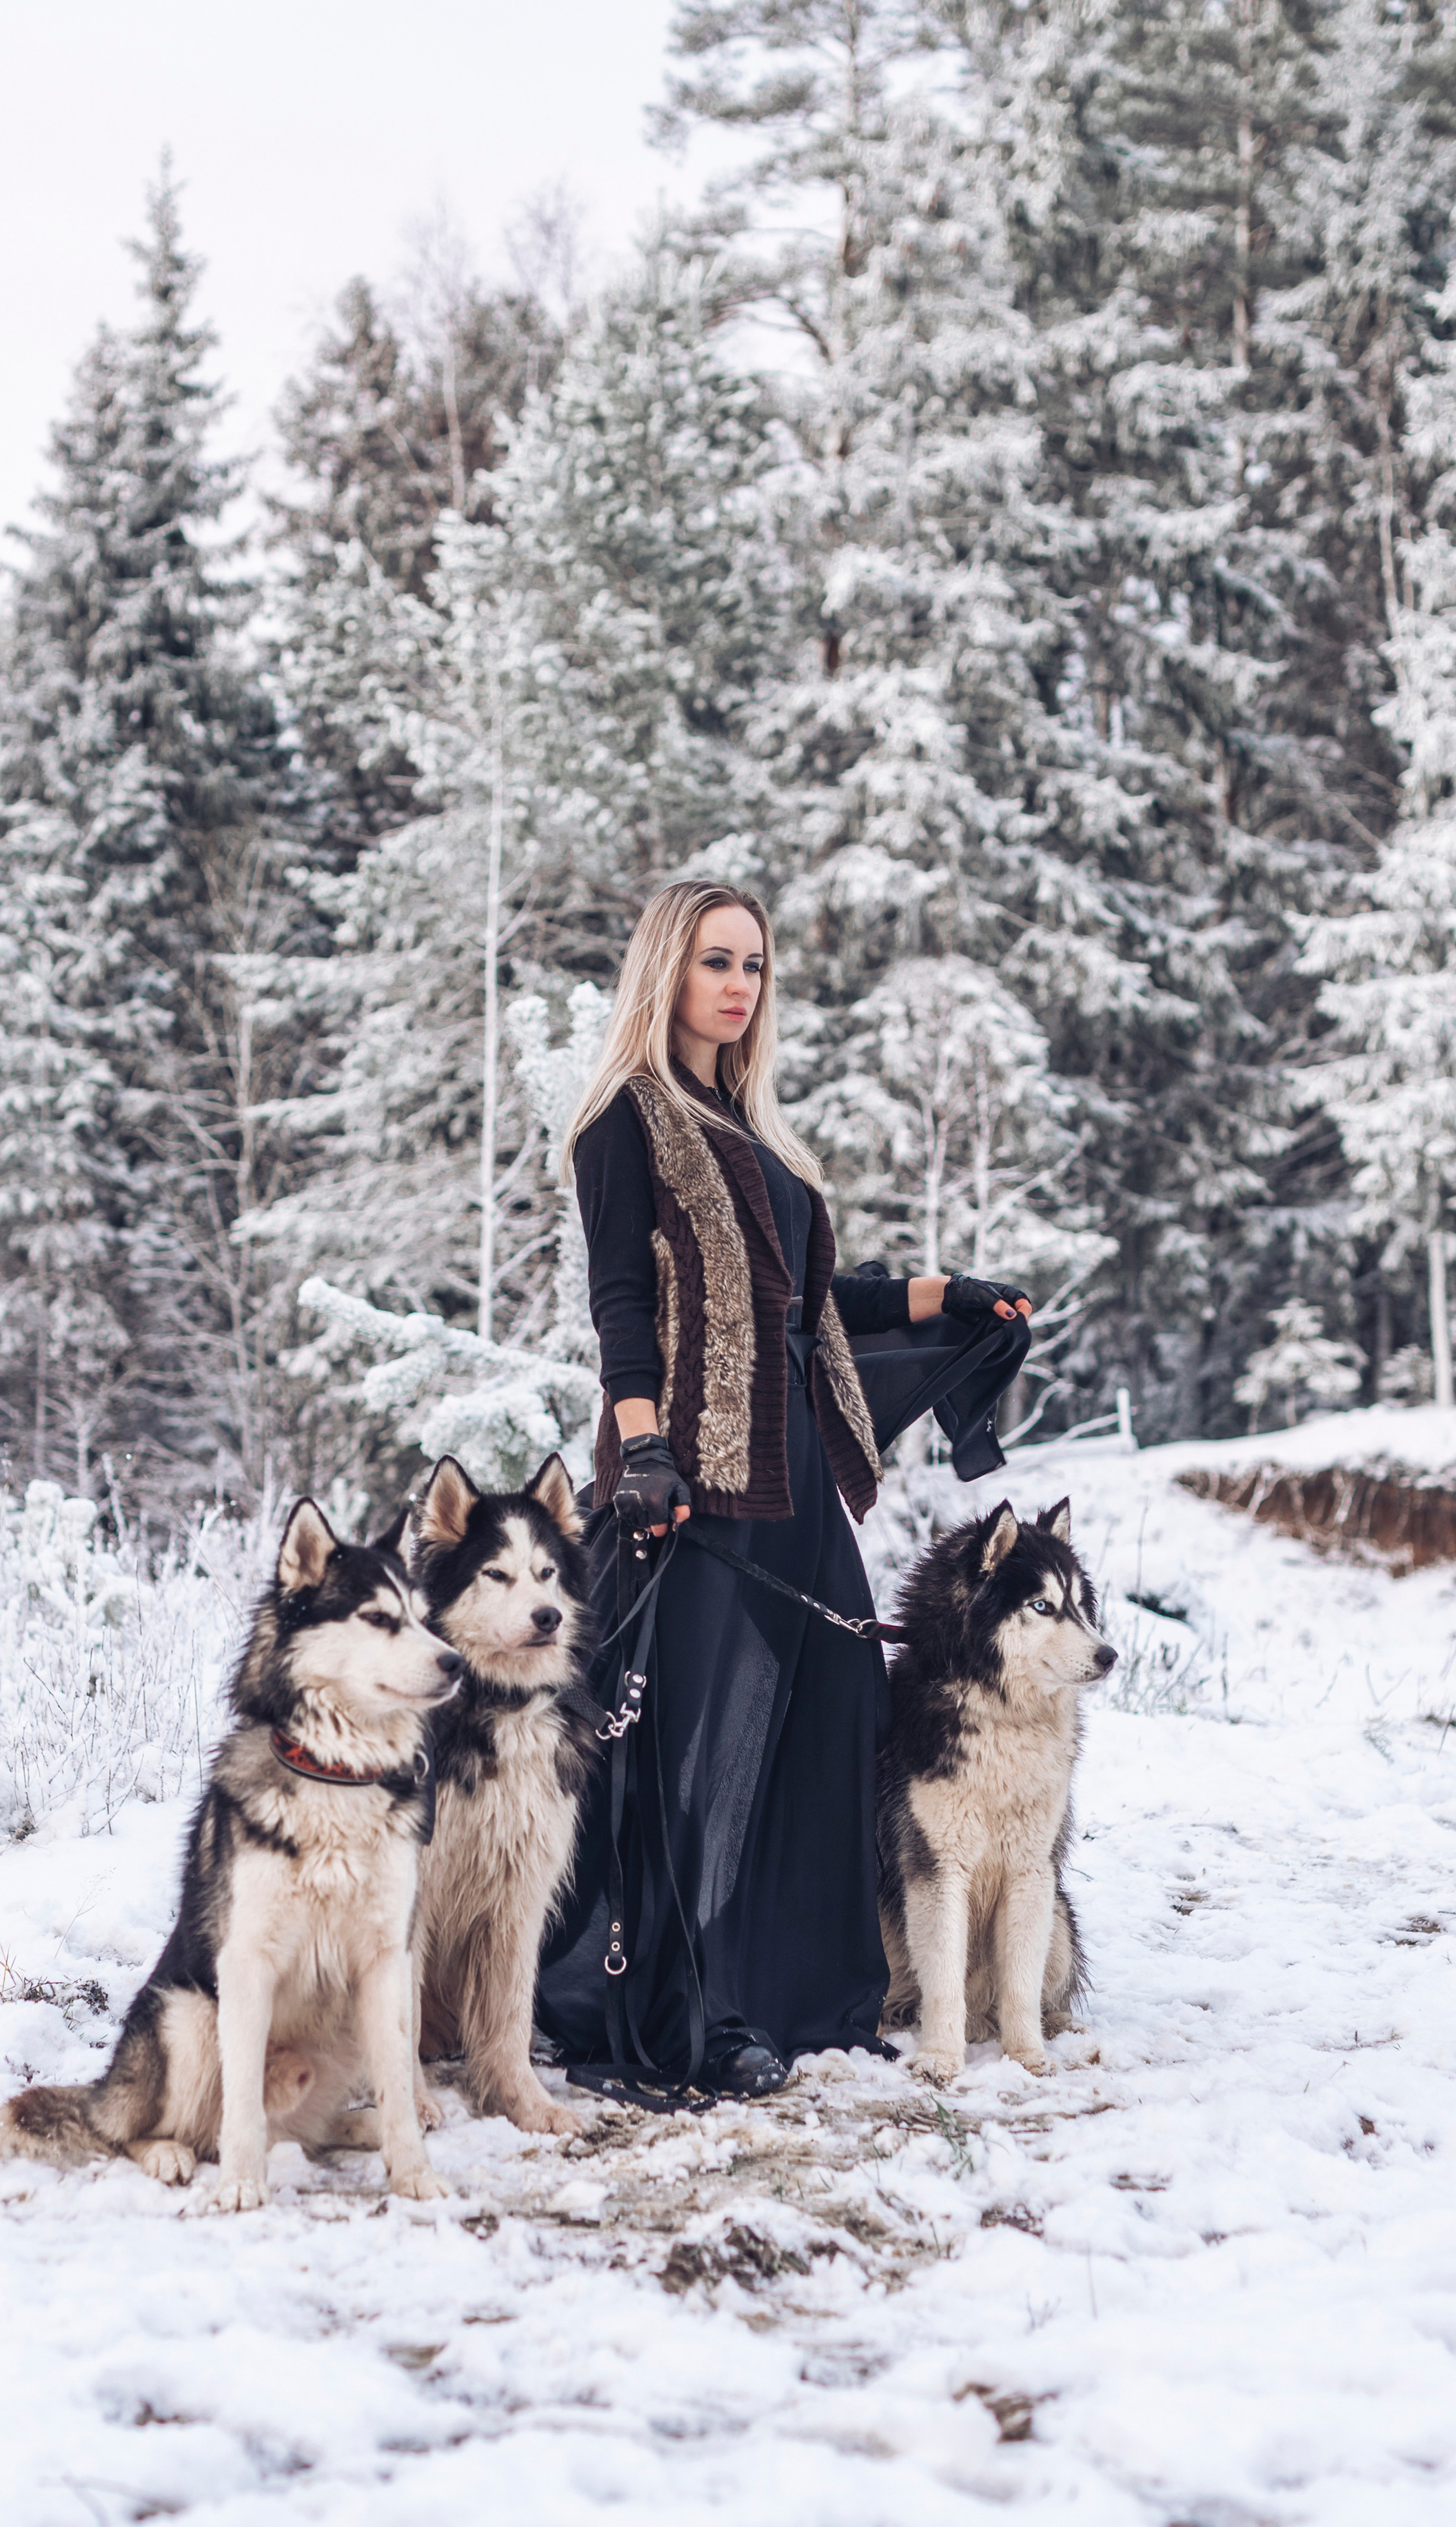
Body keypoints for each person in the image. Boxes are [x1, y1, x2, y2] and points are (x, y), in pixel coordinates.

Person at [535, 880, 1031, 2100]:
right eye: (716, 961)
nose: (739, 985)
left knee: (833, 1711)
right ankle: (680, 2009)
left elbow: (811, 1306)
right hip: (695, 1473)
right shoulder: (627, 1121)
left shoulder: (751, 1128)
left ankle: (799, 1997)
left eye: (753, 964)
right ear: (667, 970)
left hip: (794, 1464)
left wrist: (945, 1294)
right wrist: (643, 1451)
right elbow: (620, 1307)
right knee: (700, 1741)